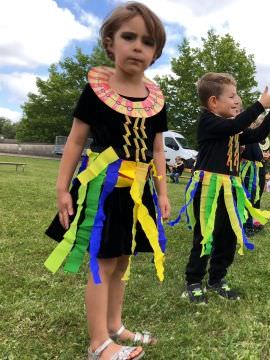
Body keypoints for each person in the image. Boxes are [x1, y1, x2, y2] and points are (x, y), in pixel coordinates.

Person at [44, 3, 170, 359]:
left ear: (155, 53)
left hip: (138, 191)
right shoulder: (95, 92)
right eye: (128, 37)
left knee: (123, 259)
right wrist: (61, 187)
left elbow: (158, 150)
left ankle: (115, 325)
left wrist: (161, 191)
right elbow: (74, 141)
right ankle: (98, 341)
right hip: (103, 190)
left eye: (147, 42)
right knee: (102, 263)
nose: (137, 47)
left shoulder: (157, 101)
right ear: (110, 42)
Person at [169, 72, 270, 304]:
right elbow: (238, 123)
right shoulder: (208, 122)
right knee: (205, 235)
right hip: (208, 187)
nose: (238, 100)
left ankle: (217, 278)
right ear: (213, 102)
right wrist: (260, 105)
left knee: (227, 235)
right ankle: (194, 280)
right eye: (232, 96)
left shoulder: (232, 127)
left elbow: (257, 134)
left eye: (238, 96)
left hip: (232, 188)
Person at [240, 116, 265, 236]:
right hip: (248, 171)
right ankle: (248, 227)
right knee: (249, 197)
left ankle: (245, 224)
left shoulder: (241, 134)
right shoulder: (252, 137)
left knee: (243, 197)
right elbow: (258, 155)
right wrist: (262, 156)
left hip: (242, 169)